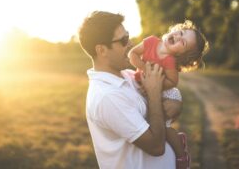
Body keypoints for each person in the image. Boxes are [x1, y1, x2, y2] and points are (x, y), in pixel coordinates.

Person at [78, 11, 183, 169]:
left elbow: (164, 95)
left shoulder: (127, 76)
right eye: (123, 40)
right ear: (102, 50)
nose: (131, 43)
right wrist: (154, 93)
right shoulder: (107, 96)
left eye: (128, 36)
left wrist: (176, 102)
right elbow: (156, 147)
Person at [128, 20, 209, 169]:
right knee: (150, 126)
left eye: (183, 43)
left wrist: (156, 84)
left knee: (160, 128)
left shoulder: (169, 61)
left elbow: (172, 81)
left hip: (168, 94)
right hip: (151, 89)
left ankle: (181, 156)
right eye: (181, 33)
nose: (178, 37)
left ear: (181, 55)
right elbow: (132, 54)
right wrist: (144, 69)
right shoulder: (151, 41)